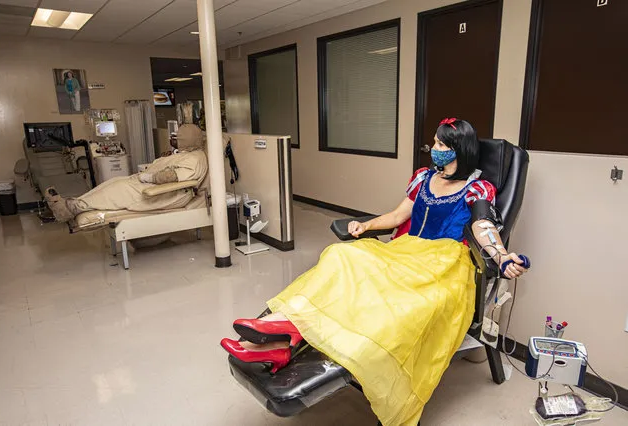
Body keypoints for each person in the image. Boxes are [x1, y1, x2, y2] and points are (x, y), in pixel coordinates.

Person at [220, 119, 528, 426]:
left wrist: (501, 257)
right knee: (343, 255)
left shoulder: (477, 187)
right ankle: (283, 330)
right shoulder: (423, 179)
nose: (434, 149)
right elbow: (397, 215)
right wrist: (365, 225)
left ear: (460, 150)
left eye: (442, 145)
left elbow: (482, 225)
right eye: (435, 142)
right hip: (407, 249)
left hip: (444, 263)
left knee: (390, 301)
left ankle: (283, 339)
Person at [44, 124, 209, 222]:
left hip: (168, 194)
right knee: (114, 182)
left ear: (187, 140)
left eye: (177, 138)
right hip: (152, 186)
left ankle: (70, 209)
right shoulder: (185, 154)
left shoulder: (195, 158)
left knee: (119, 190)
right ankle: (72, 203)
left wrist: (150, 177)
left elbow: (173, 176)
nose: (173, 140)